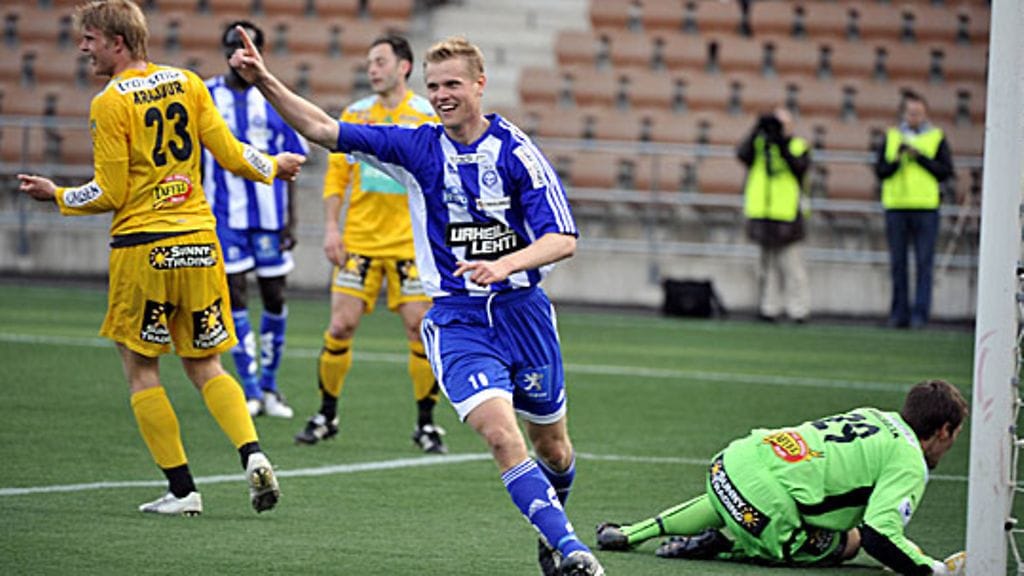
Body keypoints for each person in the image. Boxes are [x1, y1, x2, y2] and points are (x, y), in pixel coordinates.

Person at [229, 28, 604, 576]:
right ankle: (572, 553)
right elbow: (320, 128)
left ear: (480, 84)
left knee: (554, 450)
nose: (444, 93)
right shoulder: (416, 145)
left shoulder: (517, 151)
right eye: (435, 85)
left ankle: (552, 530)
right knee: (502, 436)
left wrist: (504, 264)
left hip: (525, 315)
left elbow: (563, 238)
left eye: (454, 83)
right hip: (458, 319)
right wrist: (263, 79)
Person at [16, 0, 304, 516]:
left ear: (117, 42)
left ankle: (182, 490)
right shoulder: (189, 82)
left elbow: (109, 191)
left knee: (141, 368)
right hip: (199, 243)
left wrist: (57, 195)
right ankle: (253, 453)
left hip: (144, 250)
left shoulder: (109, 102)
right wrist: (273, 167)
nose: (83, 48)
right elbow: (232, 152)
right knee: (206, 362)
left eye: (91, 39)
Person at [595, 379, 969, 575]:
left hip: (730, 462)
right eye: (955, 436)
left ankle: (630, 533)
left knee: (730, 501)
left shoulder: (875, 414)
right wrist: (933, 569)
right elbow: (878, 535)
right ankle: (724, 546)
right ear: (943, 431)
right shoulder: (909, 461)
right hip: (763, 506)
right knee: (848, 542)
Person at [294, 34, 445, 454]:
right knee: (340, 326)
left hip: (409, 246)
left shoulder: (425, 115)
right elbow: (336, 177)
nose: (372, 69)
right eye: (369, 62)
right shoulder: (356, 114)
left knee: (420, 332)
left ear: (404, 67)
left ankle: (426, 424)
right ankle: (326, 414)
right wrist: (330, 228)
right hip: (358, 242)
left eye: (380, 61)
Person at [203, 20, 308, 419]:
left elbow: (293, 164)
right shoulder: (207, 96)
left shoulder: (274, 99)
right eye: (233, 46)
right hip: (223, 216)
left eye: (248, 47)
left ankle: (270, 386)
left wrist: (291, 221)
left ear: (259, 52)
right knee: (234, 297)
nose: (240, 54)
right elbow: (196, 162)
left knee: (275, 296)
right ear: (224, 49)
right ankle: (250, 387)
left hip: (269, 216)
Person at [874, 91, 953, 329]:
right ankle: (899, 314)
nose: (914, 117)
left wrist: (920, 159)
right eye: (910, 113)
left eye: (918, 113)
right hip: (896, 207)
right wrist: (898, 159)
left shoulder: (937, 137)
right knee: (898, 264)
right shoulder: (891, 137)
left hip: (926, 208)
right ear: (903, 114)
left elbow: (945, 171)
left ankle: (920, 315)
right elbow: (880, 171)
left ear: (925, 114)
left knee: (924, 263)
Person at [737, 107, 811, 323]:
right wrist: (756, 130)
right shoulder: (760, 144)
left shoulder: (798, 145)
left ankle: (799, 310)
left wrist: (781, 143)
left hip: (787, 213)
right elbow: (742, 155)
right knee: (764, 267)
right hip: (762, 213)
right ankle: (768, 308)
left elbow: (800, 167)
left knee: (792, 267)